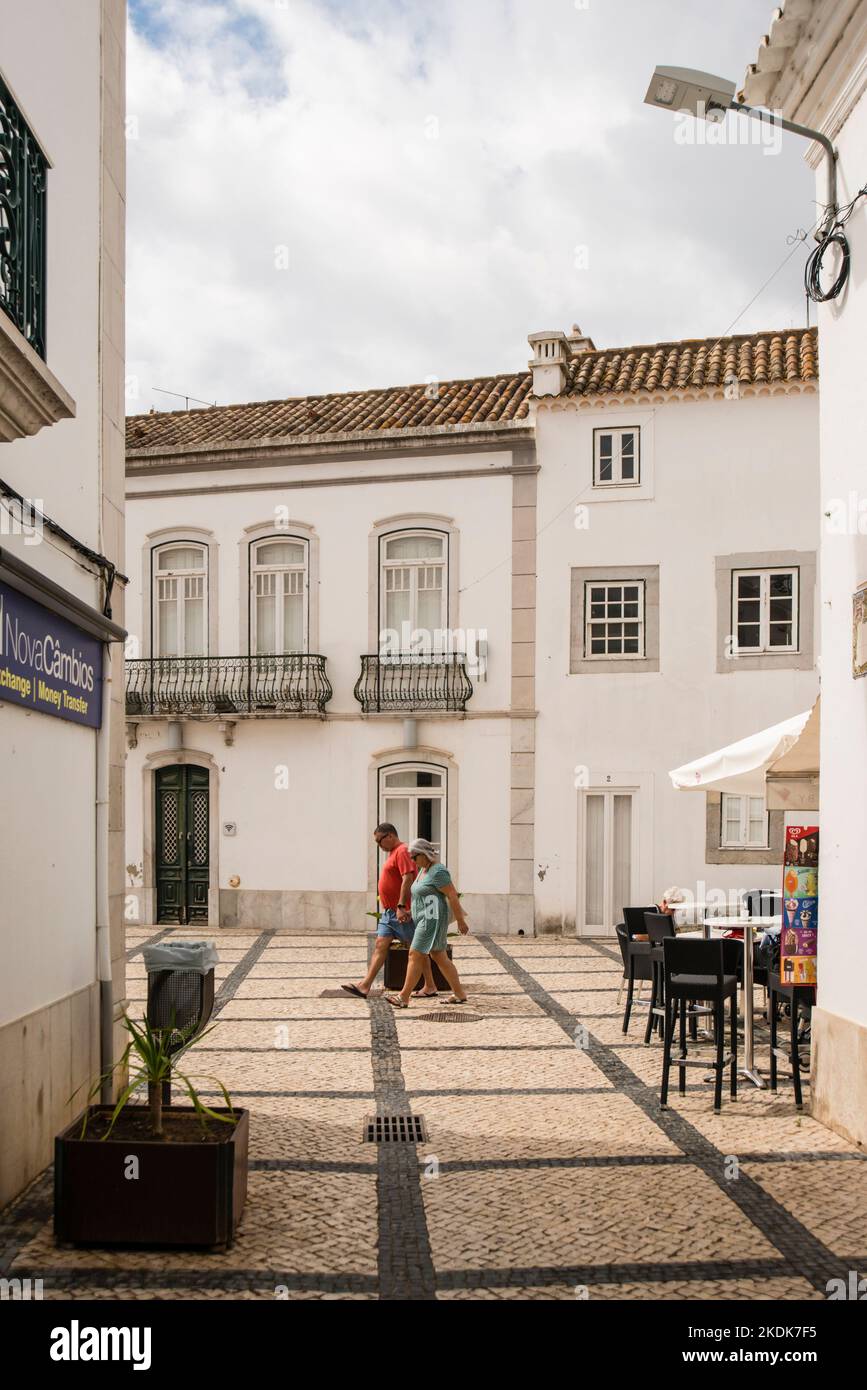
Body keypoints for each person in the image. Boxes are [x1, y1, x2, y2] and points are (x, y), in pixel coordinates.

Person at [341, 823, 437, 999]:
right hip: (389, 913)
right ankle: (365, 986)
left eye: (379, 841)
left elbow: (407, 878)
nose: (379, 846)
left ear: (390, 836)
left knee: (417, 949)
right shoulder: (394, 853)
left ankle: (430, 985)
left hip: (401, 911)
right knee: (380, 944)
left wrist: (401, 906)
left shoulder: (402, 850)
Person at [385, 839, 470, 1008]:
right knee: (440, 957)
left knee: (415, 954)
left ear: (424, 855)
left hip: (432, 921)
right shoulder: (424, 870)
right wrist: (411, 912)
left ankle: (403, 997)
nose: (412, 860)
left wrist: (461, 921)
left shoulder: (438, 871)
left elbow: (452, 895)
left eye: (414, 857)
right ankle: (460, 994)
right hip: (425, 918)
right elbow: (424, 896)